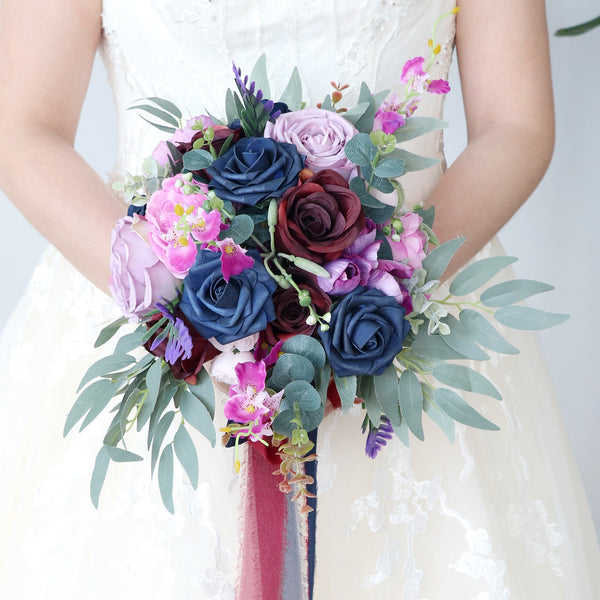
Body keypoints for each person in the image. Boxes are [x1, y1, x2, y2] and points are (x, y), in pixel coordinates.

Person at [0, 0, 599, 598]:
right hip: (156, 325)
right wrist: (186, 306)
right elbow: (24, 126)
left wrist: (379, 290)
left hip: (409, 318)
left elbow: (516, 125)